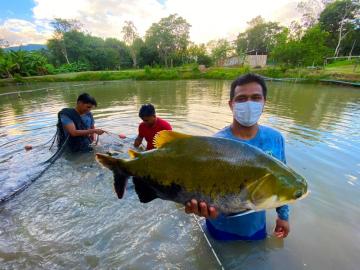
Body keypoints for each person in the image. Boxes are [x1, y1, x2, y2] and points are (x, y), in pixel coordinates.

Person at [185, 73, 290, 240]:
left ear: (264, 102)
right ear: (231, 104)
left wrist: (283, 216)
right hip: (219, 224)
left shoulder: (275, 139)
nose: (249, 103)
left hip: (255, 226)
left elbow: (283, 182)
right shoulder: (215, 144)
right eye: (242, 99)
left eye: (256, 97)